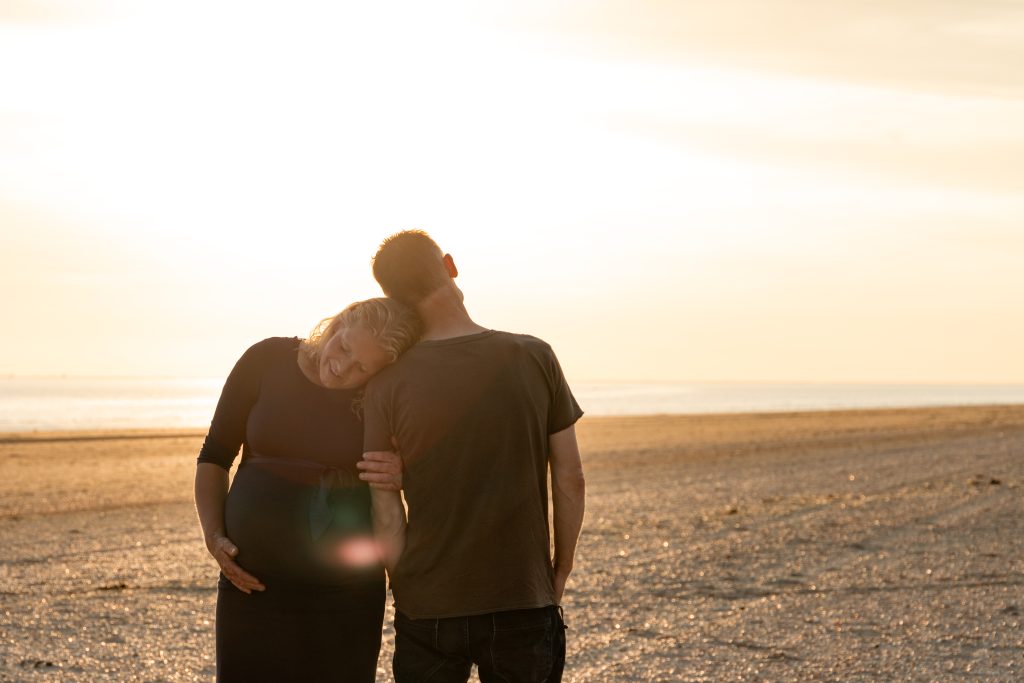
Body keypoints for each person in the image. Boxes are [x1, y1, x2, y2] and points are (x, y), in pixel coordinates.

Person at [358, 230, 587, 682]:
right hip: (522, 594)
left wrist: (407, 586)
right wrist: (559, 569)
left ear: (393, 296)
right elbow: (570, 477)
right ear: (449, 264)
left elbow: (385, 504)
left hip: (428, 605)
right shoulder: (534, 355)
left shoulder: (385, 384)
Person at [193, 298, 420, 682]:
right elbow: (214, 456)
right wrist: (214, 537)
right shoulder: (267, 359)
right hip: (250, 584)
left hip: (345, 595)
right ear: (339, 322)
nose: (342, 366)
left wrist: (406, 470)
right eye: (345, 347)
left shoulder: (382, 395)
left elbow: (429, 465)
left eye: (361, 367)